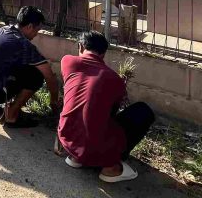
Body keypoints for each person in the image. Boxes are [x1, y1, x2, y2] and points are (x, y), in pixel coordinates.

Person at [56, 31, 155, 183]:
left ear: (80, 46)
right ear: (103, 54)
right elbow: (111, 112)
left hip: (66, 138)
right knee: (143, 111)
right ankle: (111, 168)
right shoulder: (115, 79)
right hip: (96, 147)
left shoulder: (67, 62)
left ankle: (77, 157)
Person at [0, 6, 61, 128]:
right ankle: (11, 116)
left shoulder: (5, 29)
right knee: (36, 76)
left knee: (18, 69)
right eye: (36, 31)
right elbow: (49, 77)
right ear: (30, 26)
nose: (36, 35)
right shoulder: (24, 45)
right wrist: (54, 102)